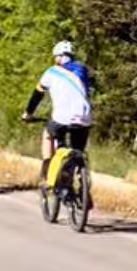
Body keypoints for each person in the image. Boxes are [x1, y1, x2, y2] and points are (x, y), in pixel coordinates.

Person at [22, 41, 93, 184]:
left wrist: (28, 113)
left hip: (61, 118)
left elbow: (37, 95)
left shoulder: (52, 71)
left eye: (56, 57)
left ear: (60, 57)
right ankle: (81, 179)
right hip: (84, 118)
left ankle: (47, 167)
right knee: (77, 151)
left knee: (48, 135)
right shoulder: (83, 70)